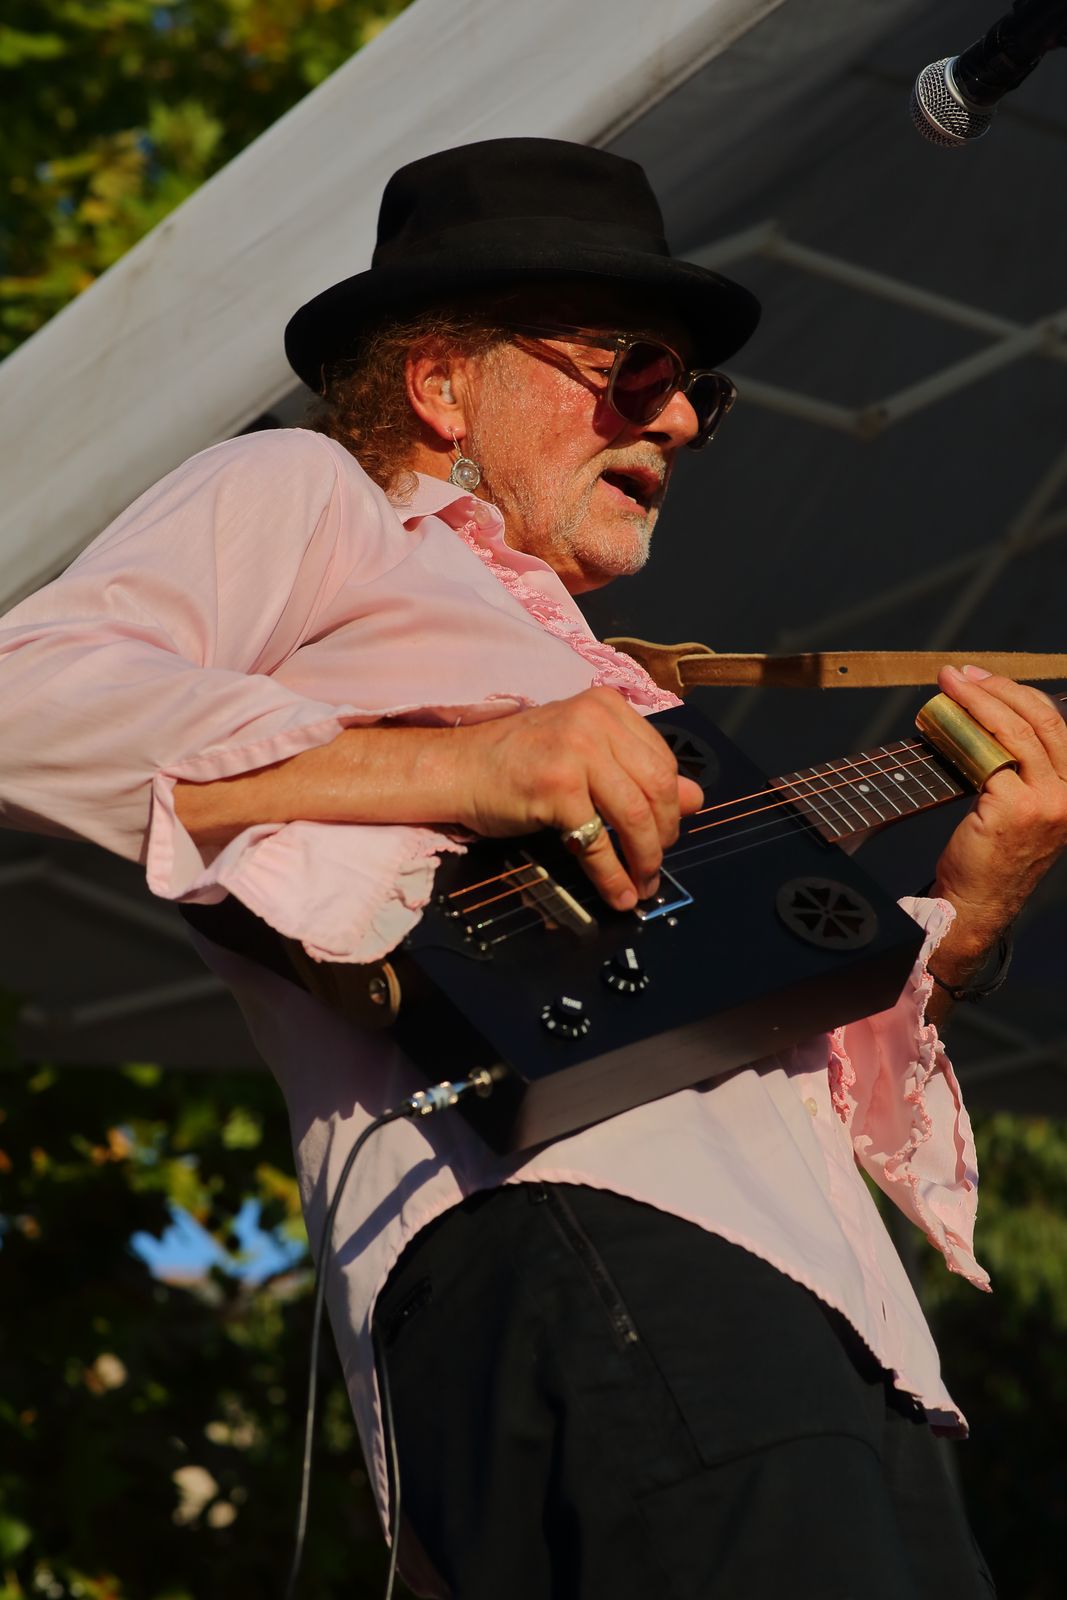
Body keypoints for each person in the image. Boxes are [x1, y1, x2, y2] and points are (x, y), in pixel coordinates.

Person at [1, 137, 1066, 1599]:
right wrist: (470, 766)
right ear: (444, 385)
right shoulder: (315, 496)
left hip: (834, 1322)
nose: (679, 418)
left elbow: (742, 1031)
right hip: (600, 1253)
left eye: (696, 391)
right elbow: (24, 699)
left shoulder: (611, 683)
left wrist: (972, 921)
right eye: (634, 370)